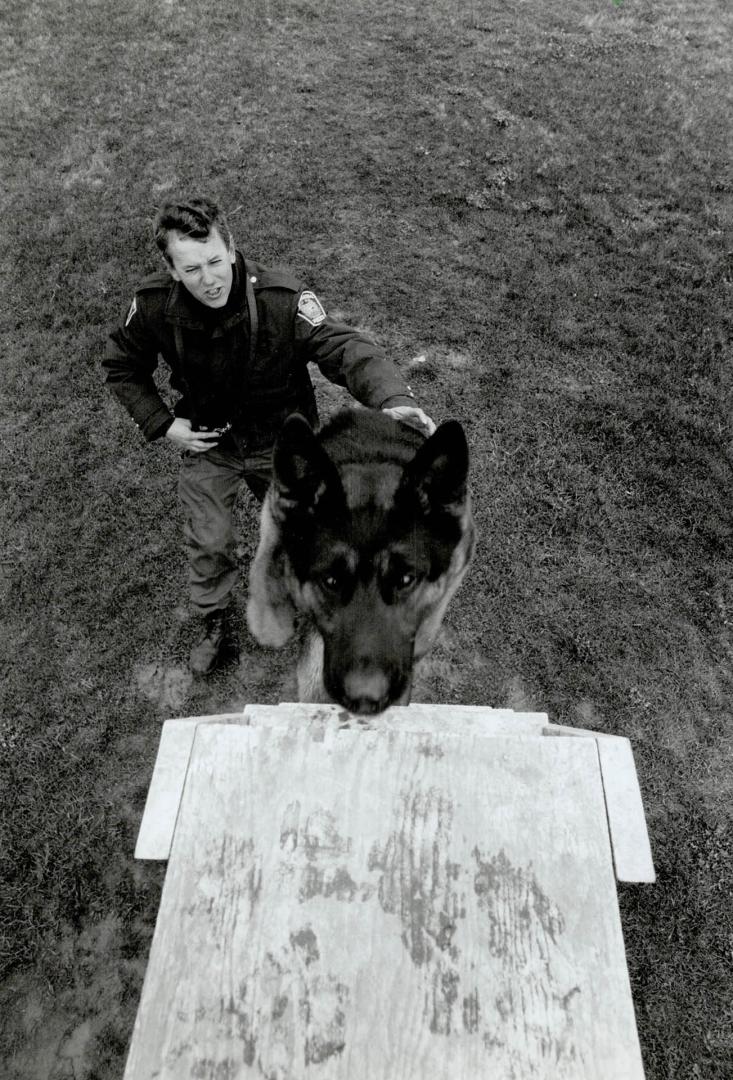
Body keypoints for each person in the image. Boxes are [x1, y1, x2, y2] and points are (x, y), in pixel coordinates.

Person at [102, 196, 435, 674]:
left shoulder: (282, 299)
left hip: (284, 445)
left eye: (215, 261)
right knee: (209, 540)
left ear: (232, 249)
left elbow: (343, 347)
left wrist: (392, 400)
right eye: (191, 268)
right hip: (212, 445)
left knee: (305, 529)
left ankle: (303, 595)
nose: (209, 279)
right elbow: (121, 366)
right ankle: (213, 618)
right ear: (171, 268)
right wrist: (164, 424)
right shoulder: (152, 306)